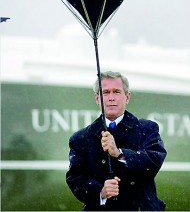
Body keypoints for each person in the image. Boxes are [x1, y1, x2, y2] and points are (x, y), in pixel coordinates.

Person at [66, 71, 167, 211]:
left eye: (117, 92)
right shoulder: (80, 138)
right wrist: (100, 191)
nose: (111, 98)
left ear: (127, 97)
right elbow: (75, 177)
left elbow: (153, 161)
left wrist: (119, 153)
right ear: (97, 99)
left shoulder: (147, 128)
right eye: (105, 92)